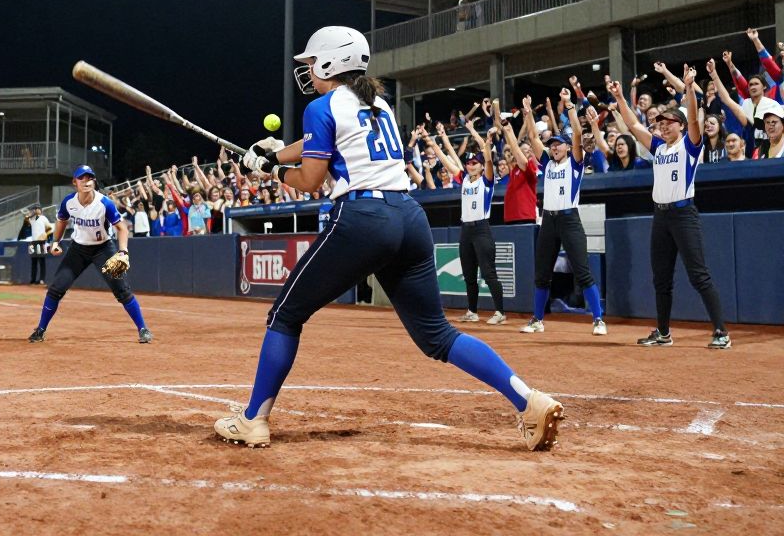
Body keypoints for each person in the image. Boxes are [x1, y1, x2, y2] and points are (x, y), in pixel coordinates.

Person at [214, 26, 564, 452]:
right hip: (408, 217)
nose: (307, 69)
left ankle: (253, 420)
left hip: (362, 217)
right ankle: (528, 401)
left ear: (329, 62)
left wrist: (268, 170)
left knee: (285, 317)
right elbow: (319, 144)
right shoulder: (377, 102)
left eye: (310, 62)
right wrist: (272, 152)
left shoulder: (321, 106)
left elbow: (309, 180)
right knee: (438, 335)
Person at [610, 68, 731, 349]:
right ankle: (663, 333)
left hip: (684, 214)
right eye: (661, 124)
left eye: (669, 123)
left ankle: (721, 332)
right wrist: (620, 98)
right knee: (661, 278)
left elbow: (692, 118)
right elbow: (633, 126)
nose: (663, 127)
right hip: (661, 216)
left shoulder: (689, 145)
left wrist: (688, 87)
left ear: (679, 125)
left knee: (699, 275)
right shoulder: (660, 149)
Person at [28, 165, 152, 344]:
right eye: (82, 178)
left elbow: (122, 228)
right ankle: (40, 330)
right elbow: (61, 220)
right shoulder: (69, 202)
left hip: (103, 248)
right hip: (78, 249)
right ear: (74, 182)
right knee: (56, 288)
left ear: (94, 181)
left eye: (90, 178)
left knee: (122, 290)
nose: (86, 182)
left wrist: (123, 251)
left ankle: (143, 329)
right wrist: (55, 241)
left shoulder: (104, 203)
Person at [521, 88, 607, 336]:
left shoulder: (575, 162)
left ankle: (598, 319)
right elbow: (533, 139)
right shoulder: (547, 163)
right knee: (542, 273)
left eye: (558, 145)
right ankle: (537, 319)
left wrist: (569, 105)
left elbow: (578, 134)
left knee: (582, 270)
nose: (554, 148)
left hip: (570, 219)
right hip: (549, 220)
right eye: (552, 145)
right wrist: (528, 114)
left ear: (569, 148)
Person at [444, 123, 507, 325]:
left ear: (481, 167)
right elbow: (447, 161)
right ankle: (472, 311)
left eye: (474, 163)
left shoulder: (486, 180)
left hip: (481, 229)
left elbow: (488, 158)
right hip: (466, 230)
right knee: (469, 274)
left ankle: (500, 312)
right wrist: (437, 140)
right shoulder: (464, 179)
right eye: (469, 163)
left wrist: (480, 138)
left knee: (489, 273)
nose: (471, 165)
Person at [28, 205, 53, 285]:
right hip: (33, 242)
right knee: (33, 262)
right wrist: (33, 212)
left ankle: (42, 279)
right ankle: (33, 279)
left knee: (42, 261)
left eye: (36, 209)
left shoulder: (44, 218)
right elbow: (29, 216)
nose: (34, 210)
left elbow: (49, 229)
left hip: (42, 242)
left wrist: (48, 241)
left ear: (40, 210)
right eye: (34, 209)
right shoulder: (31, 218)